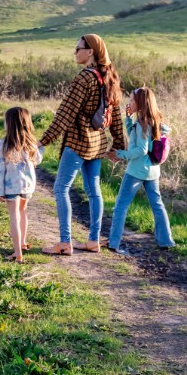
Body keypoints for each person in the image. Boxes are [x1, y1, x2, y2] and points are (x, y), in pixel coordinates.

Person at [39, 35, 126, 255]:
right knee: (94, 192)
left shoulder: (84, 78)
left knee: (60, 188)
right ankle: (93, 241)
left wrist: (43, 141)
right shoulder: (111, 77)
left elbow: (65, 114)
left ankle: (65, 242)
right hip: (98, 144)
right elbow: (115, 116)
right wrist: (119, 145)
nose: (75, 52)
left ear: (90, 52)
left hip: (78, 142)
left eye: (78, 48)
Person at [106, 87, 175, 254]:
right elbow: (136, 139)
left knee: (120, 206)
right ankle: (166, 241)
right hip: (152, 171)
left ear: (141, 103)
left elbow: (140, 149)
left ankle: (113, 242)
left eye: (131, 100)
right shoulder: (155, 122)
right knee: (157, 205)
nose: (129, 103)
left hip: (136, 171)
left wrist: (120, 154)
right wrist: (128, 120)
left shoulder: (142, 124)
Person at [0, 107, 44, 263]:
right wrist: (41, 148)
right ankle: (22, 242)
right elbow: (37, 160)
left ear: (9, 124)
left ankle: (17, 253)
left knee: (14, 216)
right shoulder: (31, 143)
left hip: (11, 186)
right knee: (23, 212)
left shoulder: (4, 144)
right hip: (28, 185)